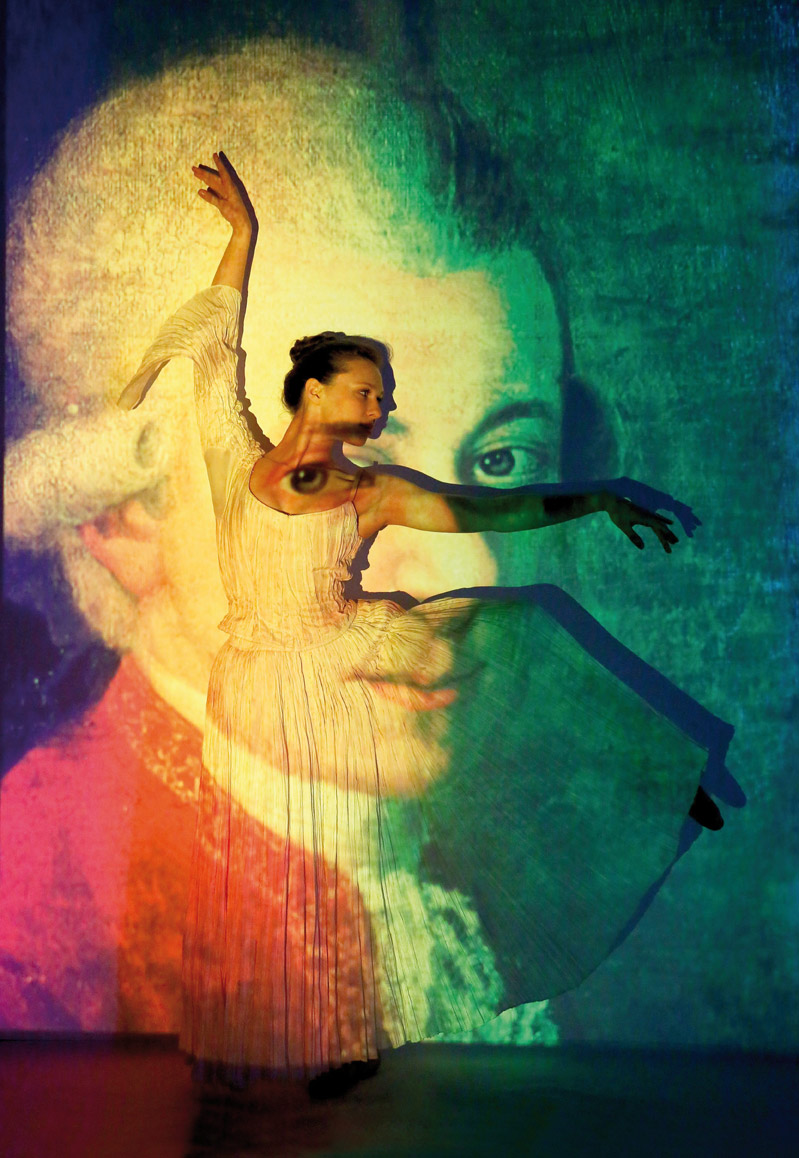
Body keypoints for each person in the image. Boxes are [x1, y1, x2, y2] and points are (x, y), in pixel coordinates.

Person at [114, 149, 722, 1094]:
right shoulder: (238, 455)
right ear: (316, 393)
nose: (379, 404)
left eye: (380, 394)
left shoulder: (370, 492)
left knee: (503, 625)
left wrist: (596, 497)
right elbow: (215, 344)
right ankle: (300, 1047)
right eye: (369, 392)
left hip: (334, 649)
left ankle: (647, 793)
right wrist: (242, 234)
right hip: (267, 677)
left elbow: (488, 515)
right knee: (291, 881)